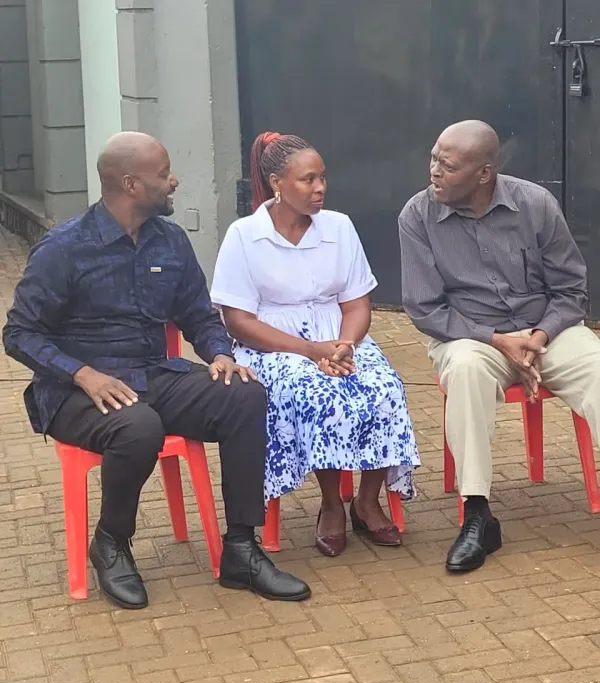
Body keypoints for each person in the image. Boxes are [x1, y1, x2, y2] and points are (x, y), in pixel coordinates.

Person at [3, 131, 311, 609]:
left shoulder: (169, 241)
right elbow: (19, 334)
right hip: (76, 392)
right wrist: (82, 374)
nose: (174, 181)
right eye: (163, 174)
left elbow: (199, 316)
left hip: (152, 374)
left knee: (244, 395)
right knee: (138, 426)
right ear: (130, 184)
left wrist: (220, 355)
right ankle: (111, 541)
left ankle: (240, 550)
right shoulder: (64, 247)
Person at [399, 119, 599, 573]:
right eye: (433, 159)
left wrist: (539, 336)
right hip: (471, 336)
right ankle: (477, 515)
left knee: (596, 367)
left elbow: (571, 290)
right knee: (466, 371)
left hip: (545, 332)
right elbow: (425, 309)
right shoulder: (417, 216)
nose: (434, 171)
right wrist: (497, 340)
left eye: (448, 166)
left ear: (484, 173)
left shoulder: (535, 204)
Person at [211, 131, 420, 557]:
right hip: (274, 345)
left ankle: (366, 500)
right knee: (317, 392)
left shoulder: (339, 227)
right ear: (276, 183)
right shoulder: (244, 235)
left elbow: (357, 304)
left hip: (339, 337)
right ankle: (331, 504)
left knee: (384, 388)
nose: (320, 187)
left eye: (322, 177)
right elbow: (238, 322)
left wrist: (345, 345)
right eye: (308, 180)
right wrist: (310, 351)